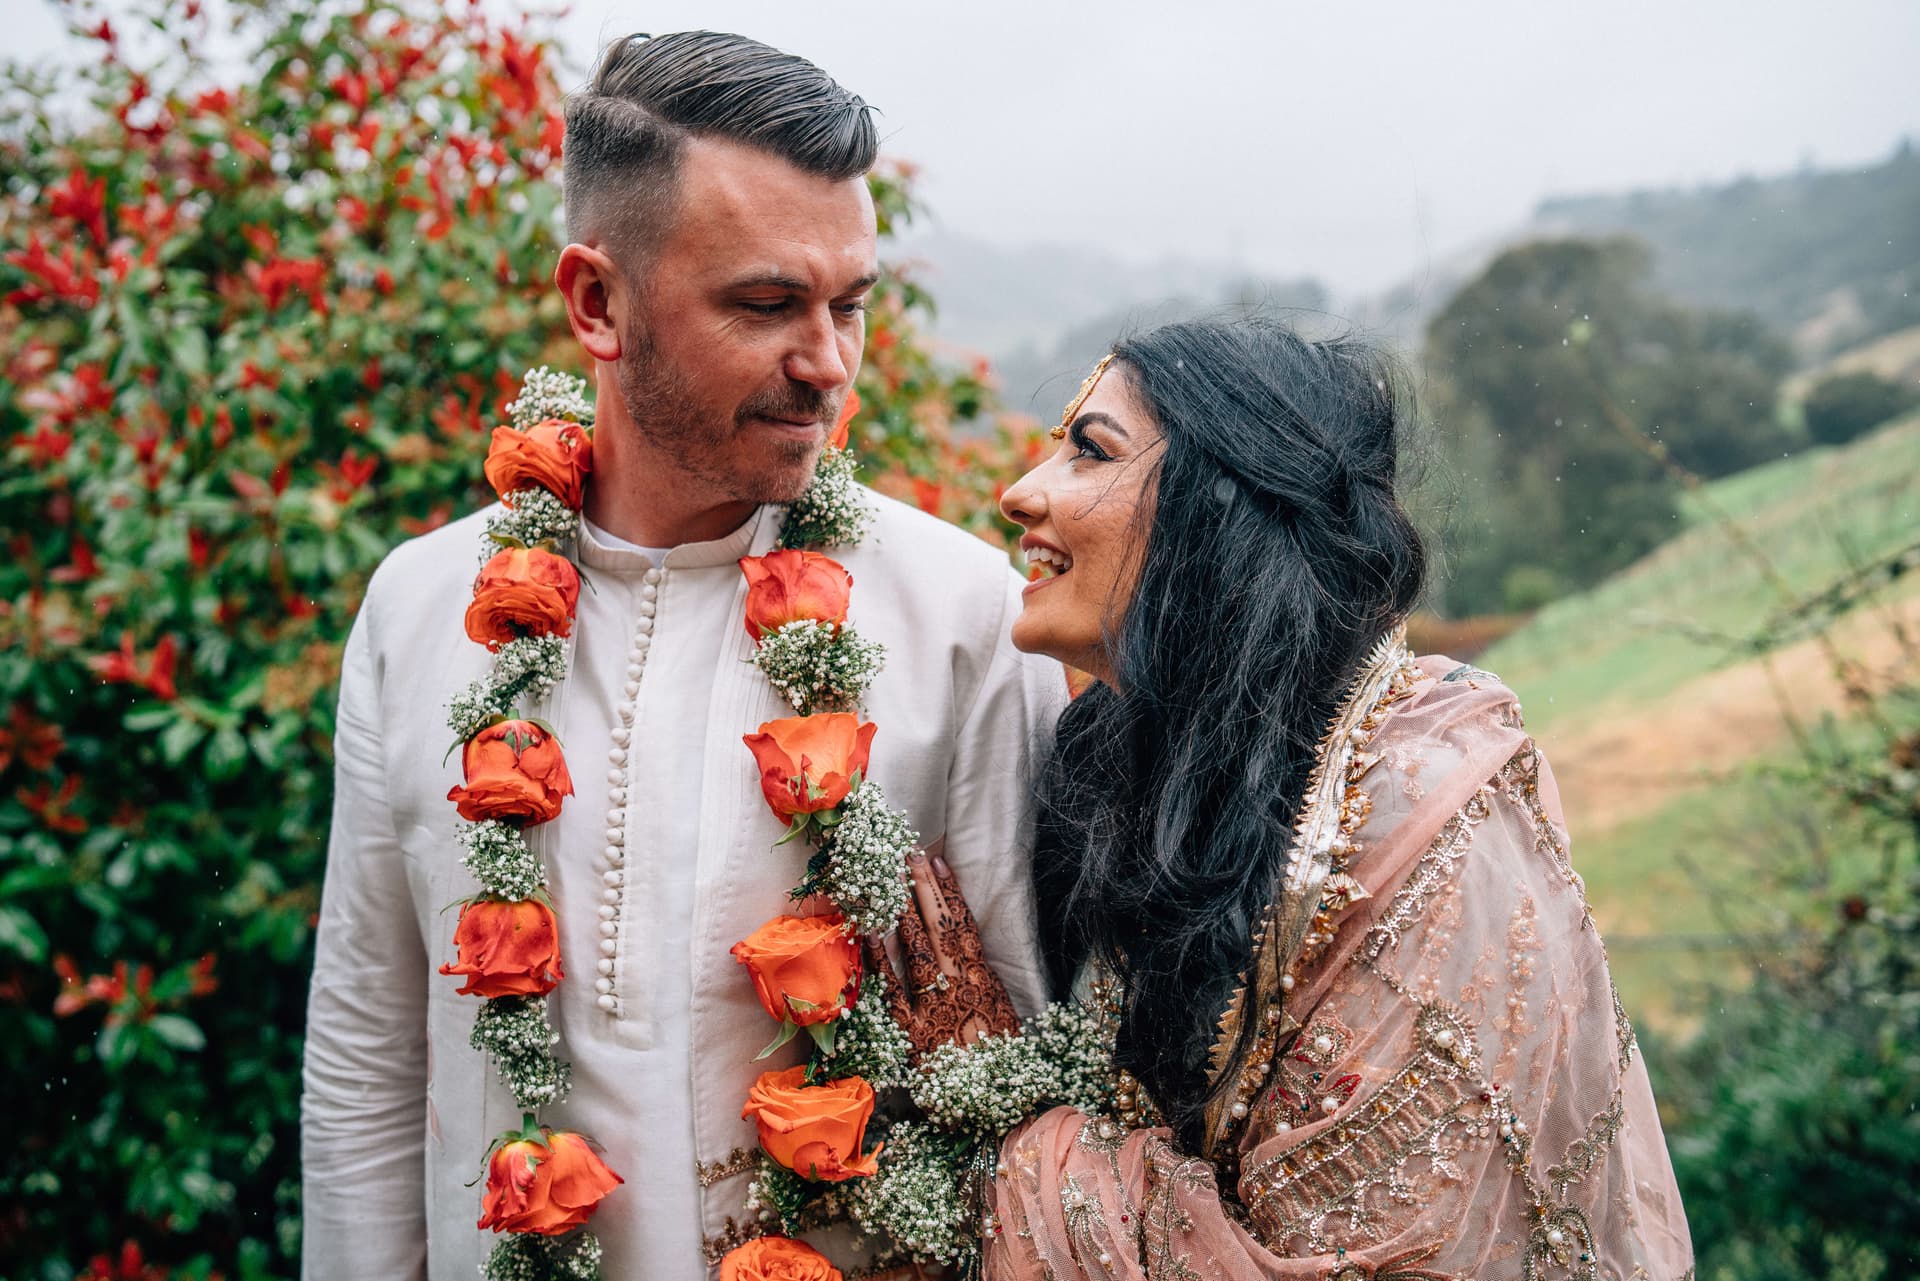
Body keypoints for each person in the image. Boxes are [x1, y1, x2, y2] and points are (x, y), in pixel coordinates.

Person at [298, 32, 1063, 1279]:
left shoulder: (962, 614)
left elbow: (1027, 1055)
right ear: (598, 302)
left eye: (849, 305)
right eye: (767, 305)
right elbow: (371, 1056)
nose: (828, 364)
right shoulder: (421, 607)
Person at [888, 318, 1694, 1278]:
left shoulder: (1421, 824)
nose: (1021, 493)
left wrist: (1008, 1126)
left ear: (1221, 507)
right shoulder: (1118, 764)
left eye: (1089, 450)